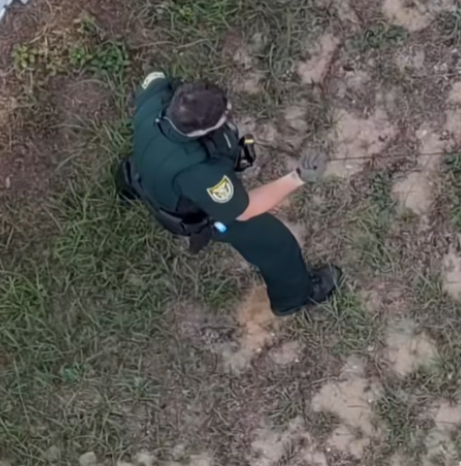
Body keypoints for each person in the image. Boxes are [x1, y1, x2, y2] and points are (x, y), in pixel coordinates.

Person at [120, 70, 342, 316]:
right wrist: (298, 177)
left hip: (145, 170)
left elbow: (157, 79)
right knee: (276, 243)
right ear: (199, 133)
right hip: (194, 214)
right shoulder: (199, 173)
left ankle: (126, 186)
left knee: (139, 169)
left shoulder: (154, 96)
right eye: (223, 115)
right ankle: (294, 298)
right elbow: (245, 209)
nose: (229, 111)